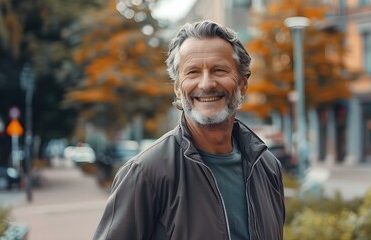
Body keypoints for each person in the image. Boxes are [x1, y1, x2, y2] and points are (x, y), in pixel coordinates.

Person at [94, 20, 285, 240]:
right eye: (193, 72)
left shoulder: (268, 167)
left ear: (243, 83)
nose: (206, 84)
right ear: (177, 88)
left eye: (219, 70)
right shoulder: (145, 173)